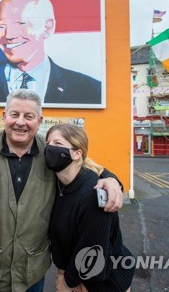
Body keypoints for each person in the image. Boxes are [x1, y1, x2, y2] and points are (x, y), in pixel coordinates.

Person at [0, 89, 123, 291]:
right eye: (14, 114)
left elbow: (84, 164)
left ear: (39, 121)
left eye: (29, 116)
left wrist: (110, 178)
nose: (20, 122)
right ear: (5, 117)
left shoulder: (51, 152)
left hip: (32, 274)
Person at [46, 124, 134, 292]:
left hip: (104, 283)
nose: (50, 148)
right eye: (48, 143)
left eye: (57, 143)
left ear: (77, 153)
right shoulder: (58, 182)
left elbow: (93, 255)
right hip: (74, 275)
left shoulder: (93, 194)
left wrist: (67, 281)